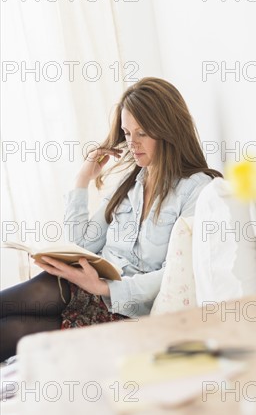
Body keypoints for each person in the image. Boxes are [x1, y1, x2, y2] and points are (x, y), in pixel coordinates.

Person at [0, 77, 222, 362]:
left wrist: (105, 288)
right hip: (89, 285)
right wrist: (82, 179)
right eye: (127, 133)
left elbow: (176, 271)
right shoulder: (130, 184)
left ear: (168, 130)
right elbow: (82, 242)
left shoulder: (197, 189)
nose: (132, 144)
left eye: (142, 133)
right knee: (13, 310)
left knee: (15, 330)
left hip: (123, 306)